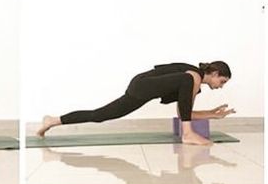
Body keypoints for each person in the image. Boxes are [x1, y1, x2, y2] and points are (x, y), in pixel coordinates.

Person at [37, 62, 233, 146]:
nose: (220, 86)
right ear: (214, 73)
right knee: (101, 114)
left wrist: (213, 114)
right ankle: (188, 135)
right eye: (222, 81)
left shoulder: (193, 82)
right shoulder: (193, 77)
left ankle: (53, 120)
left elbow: (184, 114)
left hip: (142, 88)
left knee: (100, 115)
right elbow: (185, 113)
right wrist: (188, 132)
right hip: (143, 85)